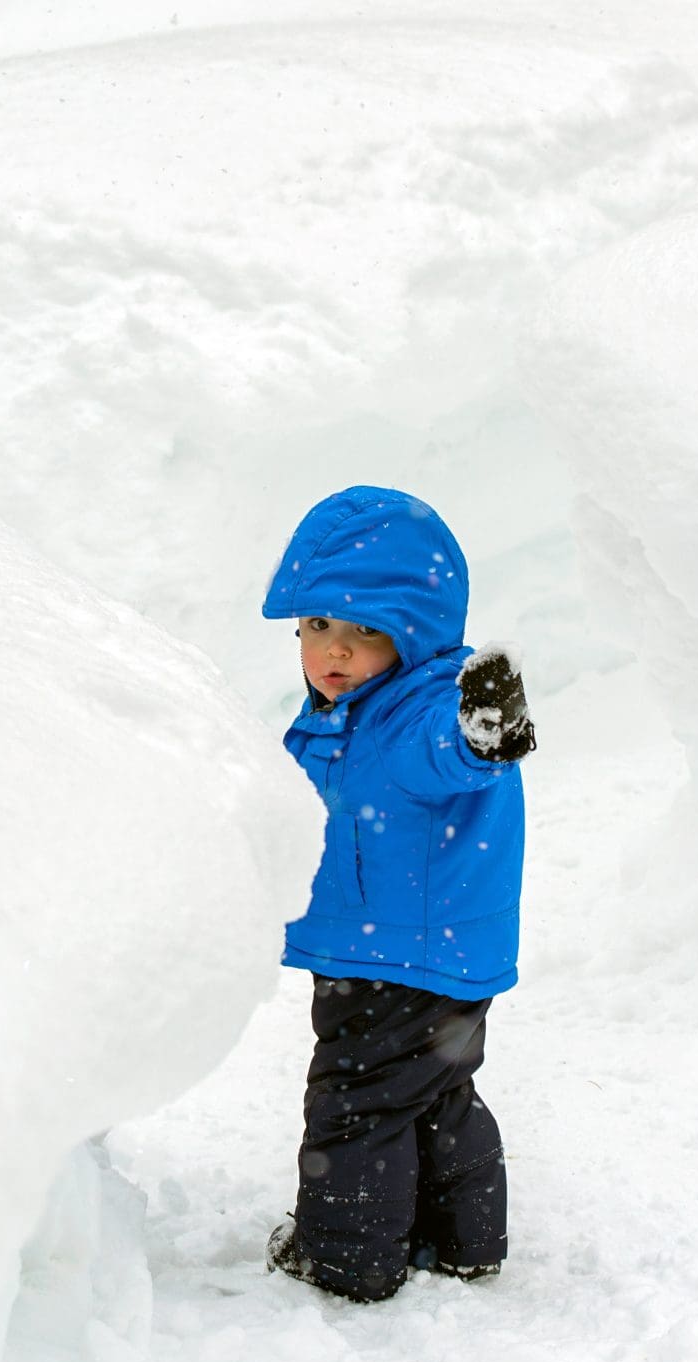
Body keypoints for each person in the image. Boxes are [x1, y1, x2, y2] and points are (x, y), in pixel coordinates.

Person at [259, 486, 536, 1303]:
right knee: (434, 1091)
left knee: (356, 1103)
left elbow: (447, 752)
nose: (334, 651)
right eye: (316, 626)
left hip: (388, 954)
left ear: (414, 633)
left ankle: (349, 1260)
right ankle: (463, 1239)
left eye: (364, 630)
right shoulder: (360, 708)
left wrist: (484, 734)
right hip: (439, 951)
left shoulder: (419, 710)